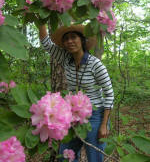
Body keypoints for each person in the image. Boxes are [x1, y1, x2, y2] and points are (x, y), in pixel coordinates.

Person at [38, 24, 114, 162]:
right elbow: (46, 43)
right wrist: (41, 21)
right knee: (66, 155)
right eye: (66, 39)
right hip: (73, 116)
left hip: (95, 116)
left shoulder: (95, 65)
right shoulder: (66, 59)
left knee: (94, 158)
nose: (69, 41)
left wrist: (104, 125)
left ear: (82, 40)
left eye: (74, 37)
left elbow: (109, 94)